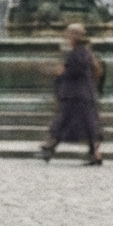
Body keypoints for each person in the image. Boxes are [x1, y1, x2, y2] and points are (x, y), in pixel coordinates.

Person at [39, 23, 103, 166]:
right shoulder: (81, 51)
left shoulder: (78, 53)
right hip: (80, 94)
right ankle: (94, 154)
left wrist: (61, 71)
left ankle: (49, 147)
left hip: (76, 95)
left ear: (75, 35)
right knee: (84, 125)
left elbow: (76, 72)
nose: (66, 35)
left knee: (66, 122)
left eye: (69, 33)